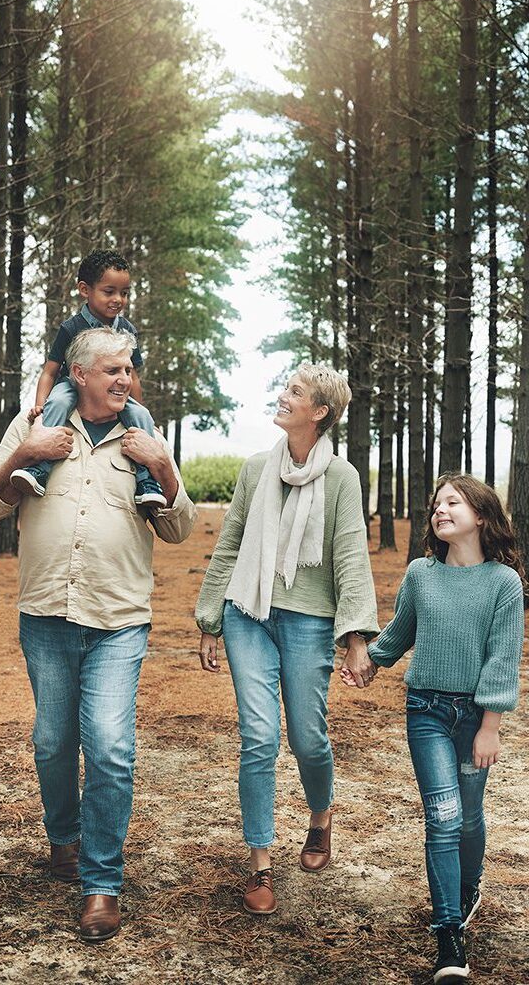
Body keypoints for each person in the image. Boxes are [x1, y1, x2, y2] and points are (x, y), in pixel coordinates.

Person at [0, 327, 197, 943]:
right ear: (78, 375)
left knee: (108, 745)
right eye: (111, 370)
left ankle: (102, 883)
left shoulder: (145, 437)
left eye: (127, 369)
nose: (124, 379)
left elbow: (178, 531)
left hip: (118, 620)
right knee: (51, 742)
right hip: (44, 613)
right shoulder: (35, 425)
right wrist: (23, 454)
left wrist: (163, 470)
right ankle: (64, 840)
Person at [195, 362, 379, 915]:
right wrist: (210, 617)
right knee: (258, 735)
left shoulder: (341, 477)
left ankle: (320, 818)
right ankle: (260, 863)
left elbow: (350, 555)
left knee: (307, 737)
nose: (282, 396)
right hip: (247, 614)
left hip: (308, 621)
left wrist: (356, 638)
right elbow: (230, 543)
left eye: (294, 392)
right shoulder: (255, 469)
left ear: (319, 412)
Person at [359, 474, 526, 984]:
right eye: (436, 503)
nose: (440, 509)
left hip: (476, 716)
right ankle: (449, 935)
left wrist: (490, 727)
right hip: (426, 711)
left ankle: (469, 888)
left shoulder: (504, 583)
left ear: (481, 514)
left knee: (469, 818)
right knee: (443, 816)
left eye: (452, 502)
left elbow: (502, 660)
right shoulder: (420, 573)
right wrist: (365, 660)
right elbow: (399, 633)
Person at [10, 248, 166, 507]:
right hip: (70, 385)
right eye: (109, 291)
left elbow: (133, 376)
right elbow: (50, 370)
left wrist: (140, 407)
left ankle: (147, 481)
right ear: (85, 290)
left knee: (141, 417)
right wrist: (40, 404)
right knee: (57, 404)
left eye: (124, 293)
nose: (118, 299)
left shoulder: (127, 329)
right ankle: (39, 469)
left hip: (112, 392)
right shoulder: (71, 327)